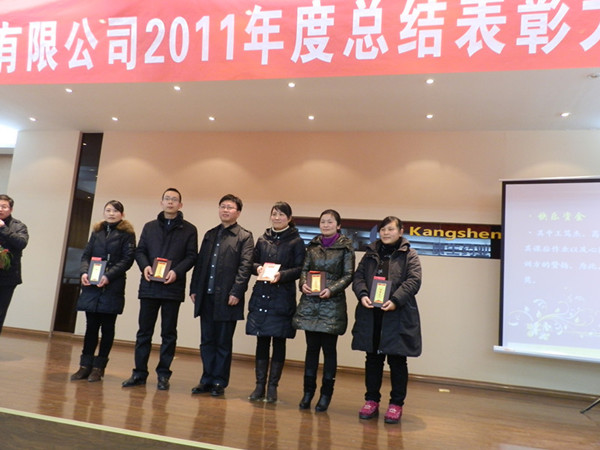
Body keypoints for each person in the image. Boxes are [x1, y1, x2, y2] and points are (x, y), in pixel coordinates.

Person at [122, 188, 198, 391]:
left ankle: (163, 375)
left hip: (172, 287)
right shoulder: (150, 227)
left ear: (180, 205)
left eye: (174, 199)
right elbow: (140, 251)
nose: (170, 202)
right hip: (149, 286)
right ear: (161, 202)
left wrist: (176, 272)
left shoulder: (189, 229)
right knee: (144, 332)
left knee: (168, 333)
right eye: (167, 198)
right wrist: (145, 266)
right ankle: (139, 373)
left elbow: (192, 256)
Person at [351, 216, 422, 424]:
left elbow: (414, 281)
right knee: (372, 359)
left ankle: (396, 404)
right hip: (372, 314)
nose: (386, 233)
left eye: (390, 229)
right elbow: (358, 277)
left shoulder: (409, 254)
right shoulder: (370, 253)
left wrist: (395, 300)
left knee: (397, 361)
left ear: (400, 232)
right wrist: (362, 294)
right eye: (383, 229)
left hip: (396, 314)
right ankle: (371, 400)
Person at [190, 194, 254, 397]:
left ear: (238, 212)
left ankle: (219, 381)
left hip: (228, 298)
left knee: (223, 342)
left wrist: (236, 291)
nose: (225, 210)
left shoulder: (244, 236)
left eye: (230, 207)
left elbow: (245, 267)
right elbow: (200, 264)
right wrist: (194, 288)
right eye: (223, 206)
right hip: (206, 296)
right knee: (207, 340)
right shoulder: (210, 234)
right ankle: (206, 379)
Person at [292, 209, 355, 412]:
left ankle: (326, 394)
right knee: (311, 349)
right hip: (310, 303)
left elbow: (348, 275)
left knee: (329, 350)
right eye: (323, 222)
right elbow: (304, 270)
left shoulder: (346, 247)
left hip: (332, 305)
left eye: (330, 222)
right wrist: (303, 284)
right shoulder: (313, 245)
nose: (325, 225)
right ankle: (307, 392)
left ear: (338, 225)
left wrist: (331, 289)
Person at [246, 202, 305, 403]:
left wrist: (282, 275)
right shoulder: (263, 239)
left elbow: (300, 268)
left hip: (282, 297)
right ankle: (259, 385)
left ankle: (272, 387)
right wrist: (257, 269)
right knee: (261, 340)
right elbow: (251, 262)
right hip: (262, 294)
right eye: (274, 214)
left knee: (279, 341)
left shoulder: (296, 241)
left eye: (281, 215)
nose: (277, 218)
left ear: (289, 218)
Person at [70, 200, 136, 382]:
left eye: (115, 211)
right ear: (104, 212)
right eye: (108, 210)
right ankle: (85, 366)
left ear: (122, 214)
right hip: (92, 286)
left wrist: (108, 276)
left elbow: (127, 259)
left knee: (107, 327)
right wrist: (84, 272)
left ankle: (99, 367)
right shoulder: (97, 231)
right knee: (91, 326)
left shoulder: (127, 234)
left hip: (112, 286)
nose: (111, 214)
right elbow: (86, 255)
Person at [0, 194, 29, 335]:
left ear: (11, 209)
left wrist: (3, 228)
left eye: (4, 206)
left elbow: (21, 243)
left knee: (0, 312)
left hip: (7, 277)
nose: (0, 209)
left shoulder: (18, 226)